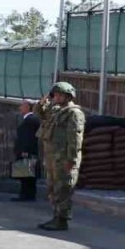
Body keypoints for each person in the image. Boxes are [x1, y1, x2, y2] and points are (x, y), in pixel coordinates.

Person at [38, 81, 84, 231]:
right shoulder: (55, 110)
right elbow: (39, 113)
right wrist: (44, 99)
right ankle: (56, 216)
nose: (57, 97)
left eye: (60, 95)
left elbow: (75, 138)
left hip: (64, 157)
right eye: (55, 94)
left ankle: (62, 219)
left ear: (68, 96)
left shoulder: (73, 113)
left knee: (63, 188)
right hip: (52, 158)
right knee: (52, 187)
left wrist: (71, 159)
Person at [13, 99, 40, 202]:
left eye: (22, 105)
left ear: (28, 107)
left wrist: (25, 150)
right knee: (25, 172)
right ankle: (26, 193)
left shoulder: (30, 120)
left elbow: (28, 138)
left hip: (27, 151)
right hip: (25, 150)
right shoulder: (28, 119)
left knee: (27, 173)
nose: (20, 108)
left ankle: (26, 194)